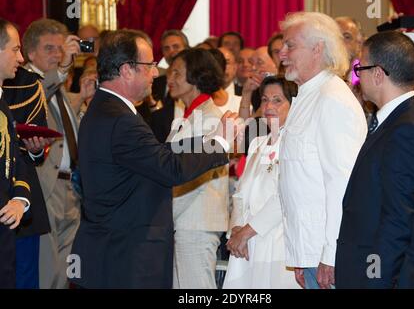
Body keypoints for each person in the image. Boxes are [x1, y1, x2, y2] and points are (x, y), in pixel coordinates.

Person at [69, 29, 236, 289]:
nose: (156, 73)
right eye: (149, 66)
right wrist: (221, 144)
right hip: (126, 252)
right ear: (126, 70)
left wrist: (208, 141)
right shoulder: (120, 119)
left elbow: (158, 153)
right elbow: (168, 168)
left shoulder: (106, 109)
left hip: (117, 248)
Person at [335, 31, 414, 288]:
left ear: (378, 74)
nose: (357, 76)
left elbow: (398, 220)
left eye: (360, 68)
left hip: (385, 276)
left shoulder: (407, 129)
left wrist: (375, 281)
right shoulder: (397, 119)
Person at [277, 12, 367, 289]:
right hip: (311, 252)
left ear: (317, 48)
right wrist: (302, 257)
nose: (281, 53)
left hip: (327, 254)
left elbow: (342, 183)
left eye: (290, 45)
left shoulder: (331, 98)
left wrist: (330, 255)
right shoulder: (308, 95)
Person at [223, 75, 300, 289]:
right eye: (265, 99)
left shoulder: (296, 143)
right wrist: (237, 228)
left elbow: (285, 195)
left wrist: (247, 231)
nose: (268, 106)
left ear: (294, 104)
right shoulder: (257, 142)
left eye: (277, 100)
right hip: (246, 245)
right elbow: (240, 193)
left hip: (277, 241)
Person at [22, 18, 82, 289]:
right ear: (29, 53)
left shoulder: (59, 89)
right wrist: (66, 68)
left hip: (71, 188)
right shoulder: (23, 83)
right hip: (45, 187)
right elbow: (41, 92)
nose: (57, 55)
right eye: (49, 48)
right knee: (46, 270)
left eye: (60, 48)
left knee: (64, 271)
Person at [166, 49, 230, 289]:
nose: (170, 79)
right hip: (185, 221)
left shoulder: (210, 119)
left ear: (196, 76)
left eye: (177, 73)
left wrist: (165, 216)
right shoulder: (187, 117)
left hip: (196, 221)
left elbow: (196, 176)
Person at [0, 18, 37, 288]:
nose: (21, 58)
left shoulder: (2, 101)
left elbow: (14, 157)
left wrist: (20, 199)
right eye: (15, 50)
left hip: (6, 223)